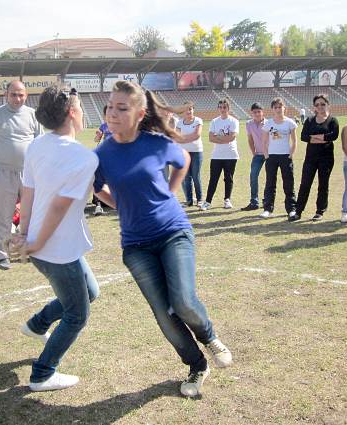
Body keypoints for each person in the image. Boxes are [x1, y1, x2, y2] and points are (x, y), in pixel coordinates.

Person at [94, 81, 232, 398]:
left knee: (182, 301)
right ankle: (197, 364)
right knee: (165, 315)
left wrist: (170, 193)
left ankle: (209, 336)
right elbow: (95, 187)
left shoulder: (156, 143)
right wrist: (118, 204)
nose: (112, 113)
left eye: (122, 108)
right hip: (135, 246)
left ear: (141, 114)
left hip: (173, 232)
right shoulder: (101, 154)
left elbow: (183, 159)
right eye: (110, 106)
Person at [11, 86, 99, 391]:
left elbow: (28, 192)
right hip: (54, 249)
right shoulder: (84, 158)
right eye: (81, 107)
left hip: (46, 245)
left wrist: (26, 236)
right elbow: (59, 207)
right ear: (72, 114)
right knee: (77, 314)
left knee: (90, 292)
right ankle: (43, 373)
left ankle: (37, 324)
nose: (84, 113)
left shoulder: (37, 145)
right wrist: (33, 242)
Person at [0, 80, 44, 270]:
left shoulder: (33, 114)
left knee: (31, 215)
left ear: (26, 95)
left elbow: (40, 142)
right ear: (6, 95)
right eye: (13, 94)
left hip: (29, 173)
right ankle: (2, 255)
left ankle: (29, 250)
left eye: (21, 94)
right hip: (4, 172)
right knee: (2, 215)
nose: (17, 98)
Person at [290, 95, 339, 222]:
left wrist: (315, 137)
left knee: (323, 184)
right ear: (314, 107)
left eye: (322, 104)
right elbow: (304, 136)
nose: (320, 107)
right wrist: (322, 138)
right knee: (305, 184)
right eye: (317, 105)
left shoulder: (333, 120)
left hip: (326, 158)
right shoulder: (310, 120)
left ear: (328, 104)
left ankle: (319, 211)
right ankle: (298, 211)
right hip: (310, 158)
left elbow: (333, 136)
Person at [259, 98, 297, 220]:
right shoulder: (268, 123)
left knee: (288, 183)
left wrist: (291, 154)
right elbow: (264, 141)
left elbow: (294, 141)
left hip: (285, 156)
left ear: (284, 108)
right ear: (272, 109)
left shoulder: (290, 123)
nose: (278, 109)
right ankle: (267, 209)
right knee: (270, 183)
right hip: (271, 157)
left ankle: (291, 209)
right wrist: (266, 155)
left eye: (280, 107)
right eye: (275, 107)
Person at [200, 99, 239, 211]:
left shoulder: (234, 121)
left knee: (228, 178)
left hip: (231, 155)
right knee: (213, 179)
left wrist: (219, 138)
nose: (222, 109)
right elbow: (211, 138)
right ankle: (207, 202)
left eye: (225, 107)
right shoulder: (214, 122)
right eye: (220, 107)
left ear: (228, 108)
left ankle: (227, 200)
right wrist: (224, 139)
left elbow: (232, 137)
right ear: (218, 108)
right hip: (216, 155)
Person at [175, 102, 203, 208]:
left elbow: (197, 135)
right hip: (183, 153)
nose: (188, 111)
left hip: (196, 152)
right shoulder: (179, 122)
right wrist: (185, 138)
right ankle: (189, 200)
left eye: (190, 109)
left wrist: (184, 138)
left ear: (193, 110)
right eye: (186, 109)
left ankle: (200, 200)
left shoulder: (198, 121)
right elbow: (177, 137)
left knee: (196, 176)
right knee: (186, 177)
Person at [241, 103, 266, 211]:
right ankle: (254, 202)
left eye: (259, 111)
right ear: (252, 113)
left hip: (269, 154)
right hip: (258, 155)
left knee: (270, 178)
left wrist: (269, 153)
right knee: (253, 176)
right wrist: (253, 152)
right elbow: (250, 139)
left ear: (262, 112)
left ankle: (267, 201)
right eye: (254, 112)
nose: (257, 114)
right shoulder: (249, 124)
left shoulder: (269, 123)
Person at [92, 105, 112, 216]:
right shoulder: (103, 126)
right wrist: (98, 135)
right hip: (105, 154)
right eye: (106, 115)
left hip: (117, 154)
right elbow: (96, 140)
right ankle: (98, 205)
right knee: (99, 177)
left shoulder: (120, 125)